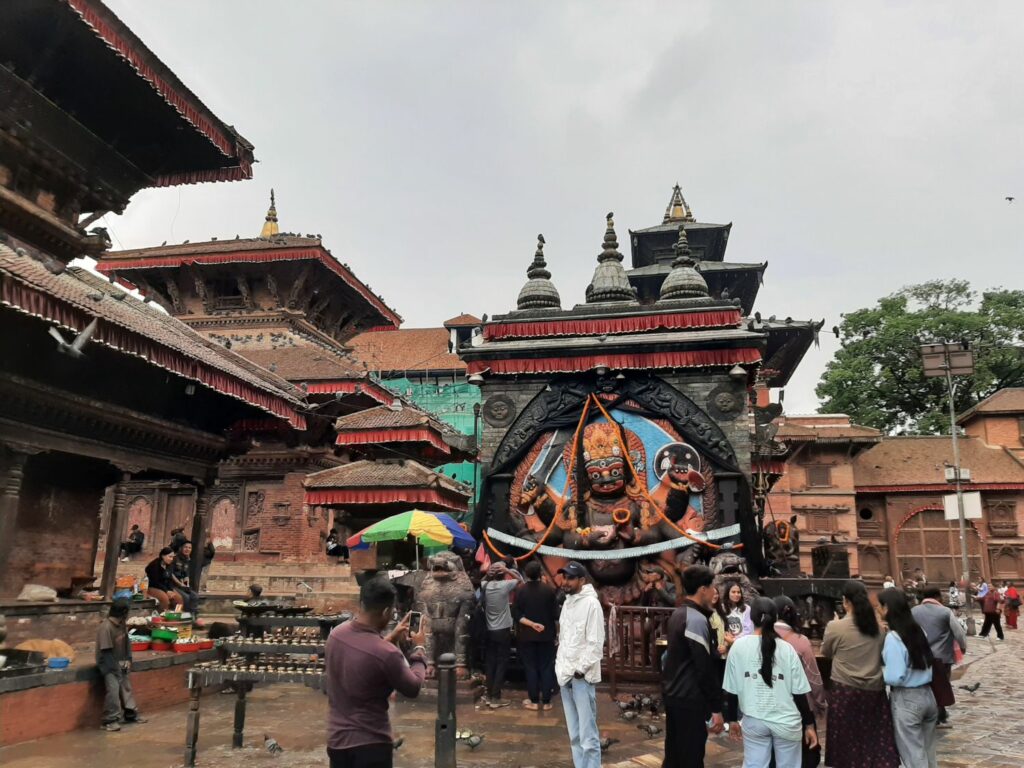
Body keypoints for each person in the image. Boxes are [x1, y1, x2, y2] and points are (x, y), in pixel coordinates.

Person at [325, 576, 427, 768]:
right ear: (387, 611)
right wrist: (420, 650)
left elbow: (364, 654)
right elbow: (413, 687)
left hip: (337, 741)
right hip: (370, 745)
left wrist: (390, 638)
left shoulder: (336, 635)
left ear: (361, 603)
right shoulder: (386, 654)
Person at [724, 598, 817, 768]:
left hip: (754, 720)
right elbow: (799, 693)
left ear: (750, 618)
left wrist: (732, 720)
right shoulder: (787, 649)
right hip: (787, 722)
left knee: (754, 765)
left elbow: (732, 690)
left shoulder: (737, 647)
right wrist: (809, 724)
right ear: (775, 618)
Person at [821, 580, 900, 768]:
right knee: (872, 739)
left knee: (846, 740)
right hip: (873, 690)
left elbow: (826, 652)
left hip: (844, 690)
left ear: (845, 601)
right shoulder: (879, 628)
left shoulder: (835, 626)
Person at [660, 565, 725, 768]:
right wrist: (716, 707)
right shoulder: (696, 620)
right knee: (691, 756)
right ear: (702, 589)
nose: (715, 591)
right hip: (689, 699)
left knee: (674, 755)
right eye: (712, 586)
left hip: (674, 695)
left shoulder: (679, 613)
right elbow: (703, 667)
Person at [879, 588, 938, 768]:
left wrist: (880, 671)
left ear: (887, 608)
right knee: (928, 752)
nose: (878, 611)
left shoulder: (894, 638)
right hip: (928, 696)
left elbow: (895, 677)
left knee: (913, 755)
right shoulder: (918, 630)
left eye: (879, 607)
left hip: (907, 699)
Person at [555, 561, 605, 768]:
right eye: (564, 577)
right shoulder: (567, 602)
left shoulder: (591, 604)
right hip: (565, 674)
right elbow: (565, 638)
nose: (565, 582)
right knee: (574, 735)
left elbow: (595, 643)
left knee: (588, 736)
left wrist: (580, 670)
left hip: (581, 677)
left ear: (582, 580)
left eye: (570, 578)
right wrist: (560, 667)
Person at [912, 585, 966, 728]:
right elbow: (959, 632)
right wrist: (963, 646)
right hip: (942, 656)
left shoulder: (913, 611)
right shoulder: (944, 611)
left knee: (925, 685)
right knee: (941, 686)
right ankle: (938, 715)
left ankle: (928, 714)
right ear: (937, 597)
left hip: (920, 656)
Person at [773, 595, 827, 726]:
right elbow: (813, 676)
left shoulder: (759, 638)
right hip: (798, 706)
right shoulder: (801, 640)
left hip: (767, 705)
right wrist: (820, 703)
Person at [96, 599, 147, 731]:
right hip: (108, 663)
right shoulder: (106, 627)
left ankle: (130, 714)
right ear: (124, 612)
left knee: (126, 687)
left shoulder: (122, 624)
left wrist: (128, 659)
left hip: (121, 660)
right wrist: (115, 669)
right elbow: (106, 651)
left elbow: (126, 642)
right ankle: (109, 720)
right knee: (113, 690)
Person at [515, 560, 559, 711]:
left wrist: (532, 624)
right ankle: (546, 701)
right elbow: (555, 614)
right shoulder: (549, 590)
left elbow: (516, 614)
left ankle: (534, 700)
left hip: (527, 635)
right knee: (546, 667)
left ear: (526, 574)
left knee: (530, 667)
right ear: (540, 573)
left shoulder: (520, 590)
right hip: (547, 635)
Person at [480, 561, 524, 708]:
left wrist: (489, 573)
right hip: (503, 630)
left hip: (489, 630)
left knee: (491, 662)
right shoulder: (505, 586)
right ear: (503, 575)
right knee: (502, 662)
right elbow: (520, 580)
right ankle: (495, 697)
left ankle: (488, 694)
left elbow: (483, 580)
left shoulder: (485, 586)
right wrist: (507, 570)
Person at [171, 541, 200, 617]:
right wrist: (180, 583)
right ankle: (185, 616)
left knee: (195, 596)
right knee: (186, 598)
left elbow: (186, 575)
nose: (187, 549)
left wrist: (186, 583)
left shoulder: (187, 560)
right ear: (181, 548)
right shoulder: (174, 559)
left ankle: (193, 616)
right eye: (185, 547)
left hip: (182, 586)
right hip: (173, 585)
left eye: (190, 548)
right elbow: (171, 574)